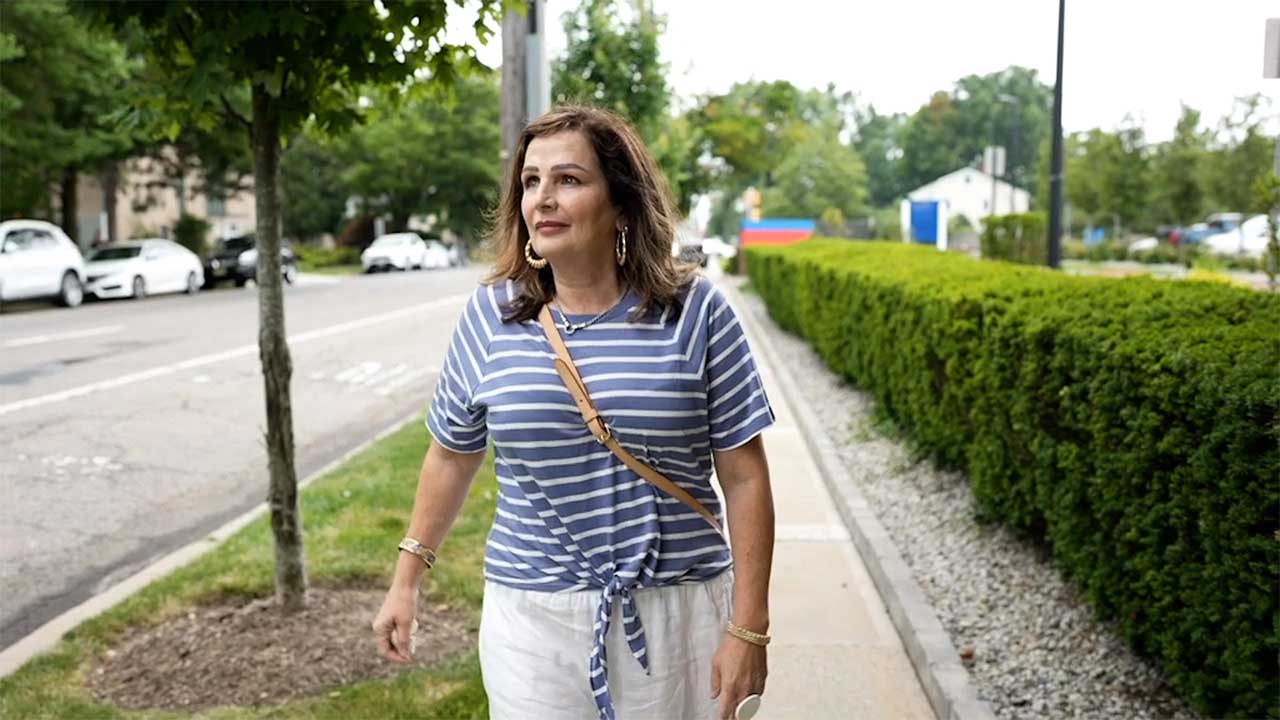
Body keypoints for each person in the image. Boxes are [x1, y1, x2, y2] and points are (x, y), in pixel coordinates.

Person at [372, 105, 776, 720]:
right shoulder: (491, 316)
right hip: (532, 621)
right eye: (531, 182)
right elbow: (452, 456)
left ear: (620, 201)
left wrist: (748, 629)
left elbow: (745, 477)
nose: (543, 199)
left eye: (568, 179)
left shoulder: (695, 311)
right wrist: (406, 581)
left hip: (680, 614)